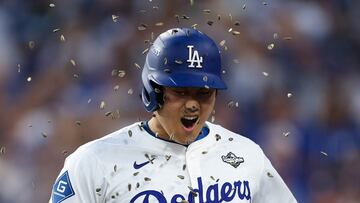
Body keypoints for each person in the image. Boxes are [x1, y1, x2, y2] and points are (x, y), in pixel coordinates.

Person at [49, 28, 297, 203]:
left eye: (203, 93)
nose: (192, 105)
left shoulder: (246, 154)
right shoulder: (94, 161)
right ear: (153, 92)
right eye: (180, 92)